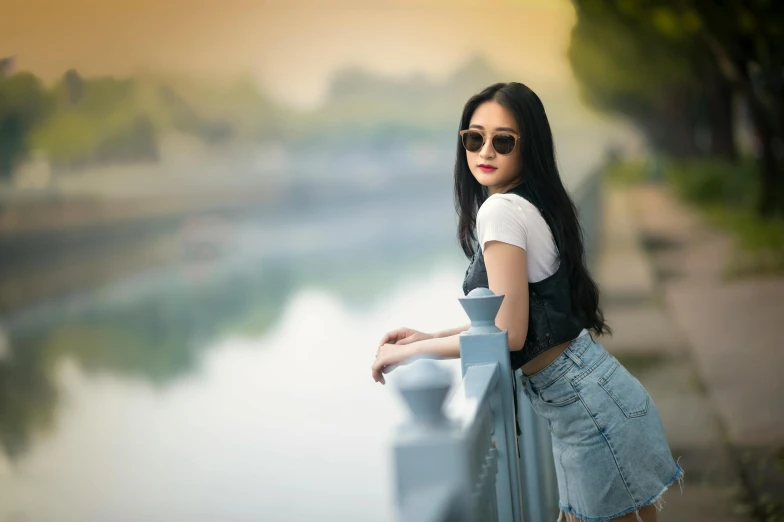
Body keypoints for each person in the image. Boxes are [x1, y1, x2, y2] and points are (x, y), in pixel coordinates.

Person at [370, 82, 683, 522]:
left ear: (527, 146)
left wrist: (413, 352)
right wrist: (429, 336)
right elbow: (503, 319)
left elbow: (509, 334)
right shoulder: (525, 203)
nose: (485, 151)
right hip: (593, 401)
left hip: (589, 413)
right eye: (474, 138)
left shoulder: (499, 212)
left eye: (503, 140)